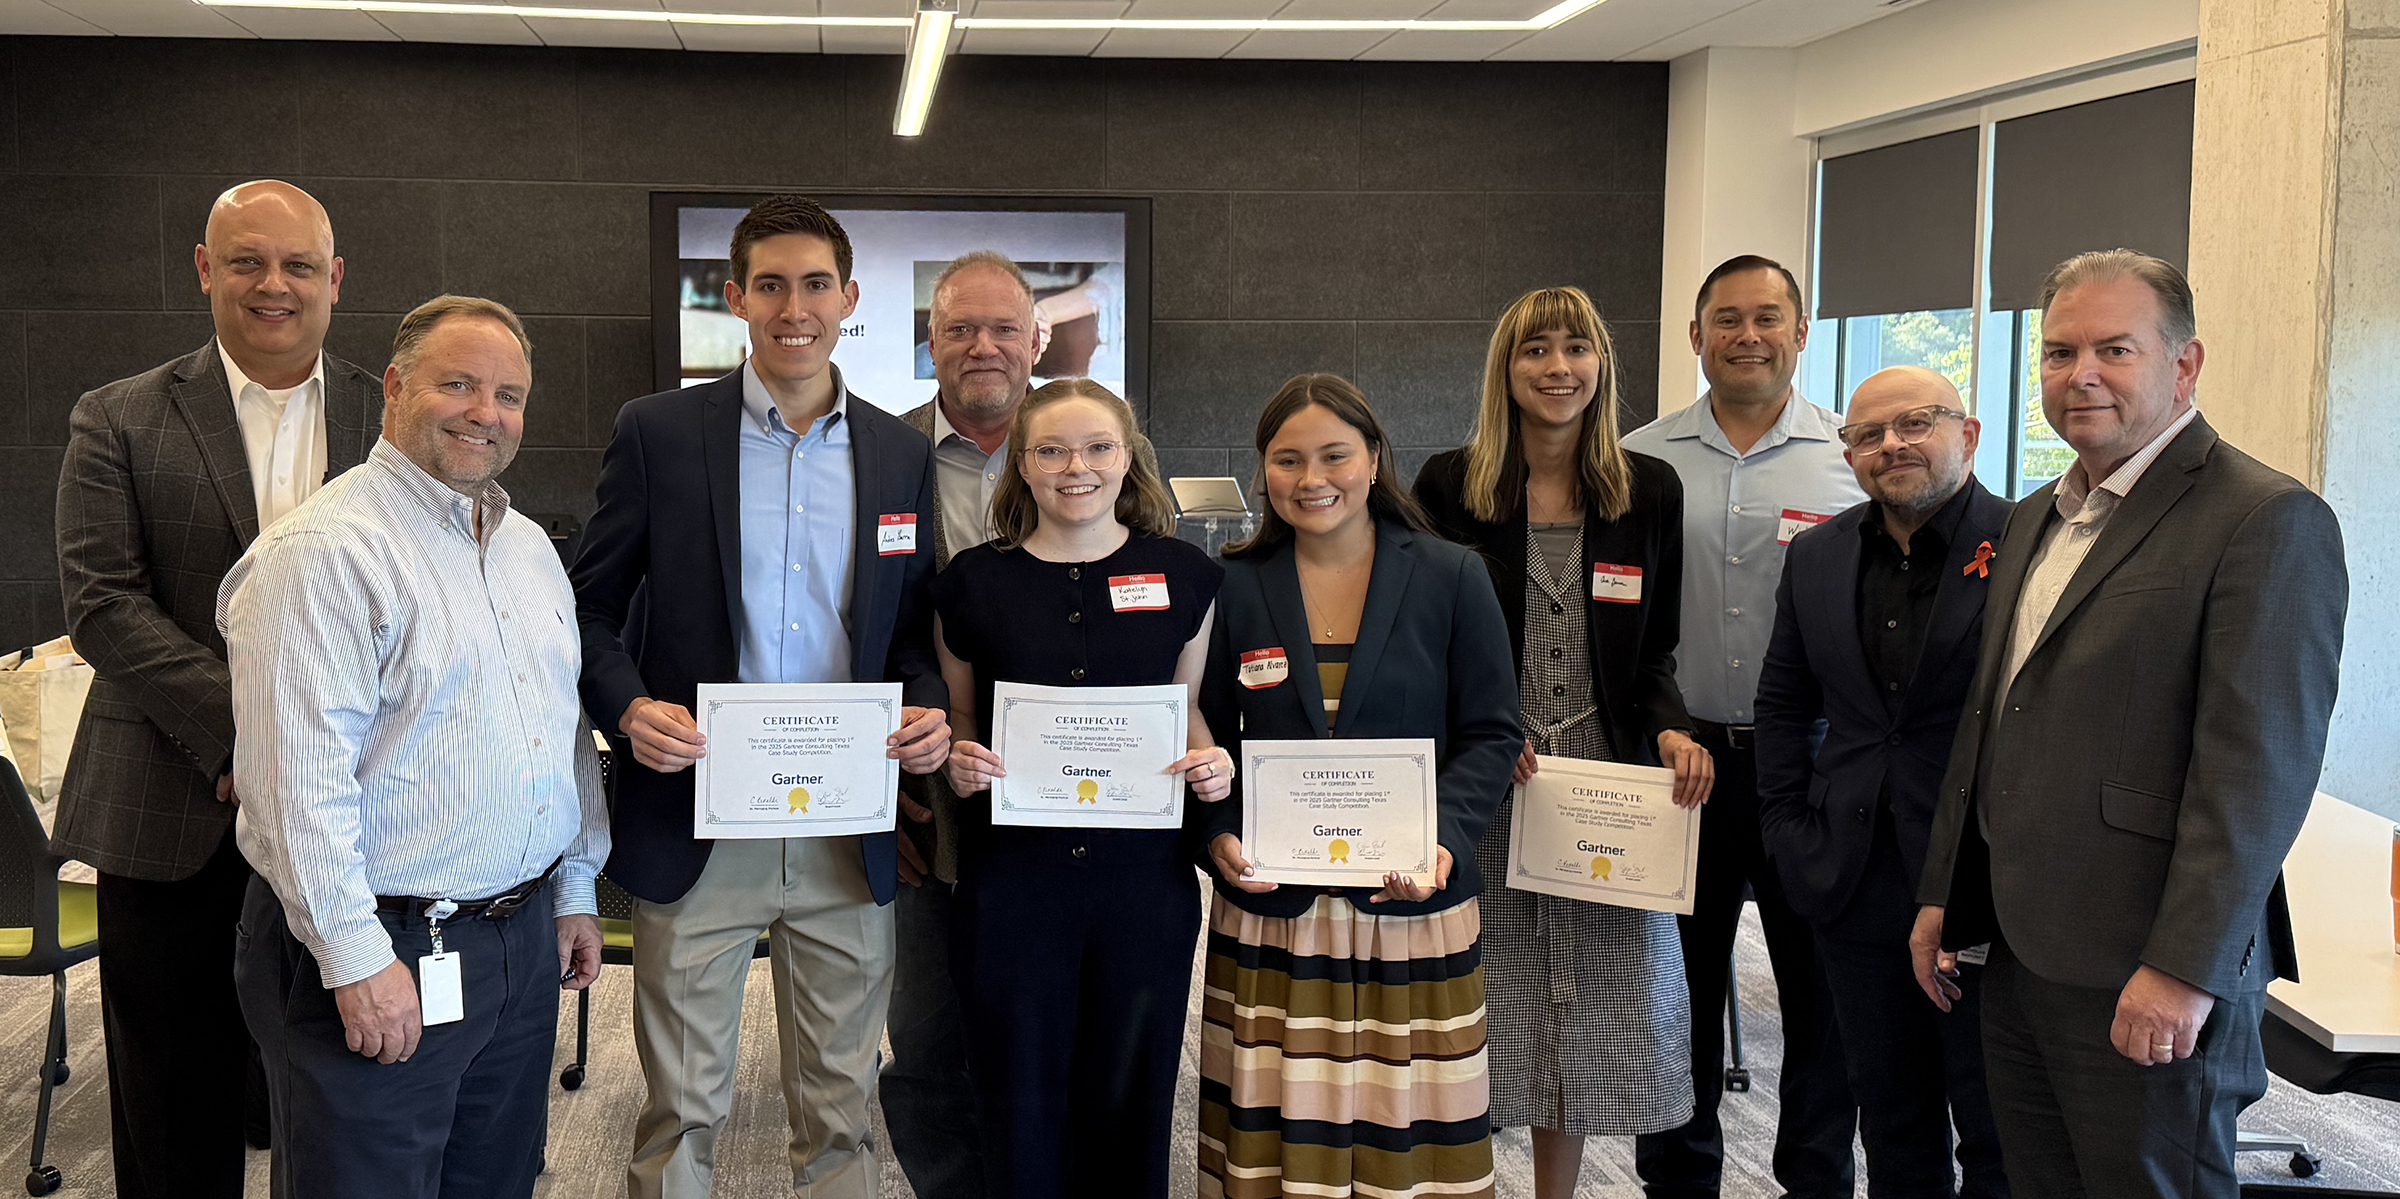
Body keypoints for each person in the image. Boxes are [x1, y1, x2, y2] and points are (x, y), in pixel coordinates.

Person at [1913, 250, 2347, 1199]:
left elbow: (2255, 776)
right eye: (2061, 352)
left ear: (2184, 366)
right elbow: (1991, 722)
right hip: (2020, 952)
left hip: (2145, 961)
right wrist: (1947, 887)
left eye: (2116, 348)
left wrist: (2183, 969)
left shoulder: (2264, 518)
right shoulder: (2037, 516)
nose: (2084, 376)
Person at [570, 195, 952, 1199]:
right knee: (680, 1107)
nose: (795, 306)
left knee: (838, 1106)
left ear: (851, 298)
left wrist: (924, 711)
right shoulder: (656, 432)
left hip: (843, 819)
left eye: (816, 283)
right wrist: (626, 707)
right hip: (698, 808)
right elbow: (590, 608)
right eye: (771, 283)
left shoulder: (898, 453)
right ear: (734, 296)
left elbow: (911, 632)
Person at [219, 295, 610, 1199]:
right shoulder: (324, 552)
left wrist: (575, 886)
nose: (487, 412)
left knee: (496, 1181)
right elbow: (291, 791)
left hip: (516, 945)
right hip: (377, 945)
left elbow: (558, 733)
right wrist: (355, 959)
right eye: (460, 384)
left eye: (509, 395)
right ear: (395, 388)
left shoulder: (525, 548)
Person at [50, 179, 381, 1199]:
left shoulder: (395, 408)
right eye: (246, 261)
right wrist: (250, 731)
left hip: (356, 811)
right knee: (172, 1097)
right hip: (170, 804)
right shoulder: (119, 415)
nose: (271, 285)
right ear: (205, 269)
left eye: (295, 265)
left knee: (340, 1089)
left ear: (335, 279)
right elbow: (103, 603)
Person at [1411, 286, 1711, 1199]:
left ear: (1601, 366)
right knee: (1482, 998)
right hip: (1489, 784)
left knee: (1586, 1009)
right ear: (1506, 369)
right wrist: (1482, 734)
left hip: (1605, 792)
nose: (1557, 367)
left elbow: (1654, 645)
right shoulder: (1448, 486)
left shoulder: (1649, 489)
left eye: (1575, 348)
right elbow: (1427, 642)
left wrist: (1671, 725)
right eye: (1535, 350)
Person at [1196, 374, 1522, 1199]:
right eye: (1288, 459)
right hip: (1277, 913)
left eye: (1334, 454)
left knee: (1405, 1140)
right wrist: (1221, 833)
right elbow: (1197, 731)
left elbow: (1491, 732)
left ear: (1374, 458)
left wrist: (1441, 840)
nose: (1313, 478)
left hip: (1409, 904)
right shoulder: (1232, 584)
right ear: (1263, 471)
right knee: (1275, 1145)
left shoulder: (1453, 576)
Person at [934, 379, 1231, 1197]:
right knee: (1016, 1098)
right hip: (1011, 884)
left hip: (1142, 887)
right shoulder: (969, 582)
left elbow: (1190, 712)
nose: (1078, 467)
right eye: (1052, 450)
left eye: (1099, 447)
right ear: (1020, 465)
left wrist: (1214, 763)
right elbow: (961, 713)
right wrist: (959, 757)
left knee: (1130, 1096)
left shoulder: (1186, 576)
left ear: (1127, 457)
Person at [1620, 254, 1862, 1199]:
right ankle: (1677, 1180)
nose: (1747, 335)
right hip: (1679, 764)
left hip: (1812, 766)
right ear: (1696, 336)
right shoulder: (1640, 458)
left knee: (1820, 995)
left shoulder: (1855, 455)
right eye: (1727, 318)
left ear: (1802, 333)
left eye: (1768, 318)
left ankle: (1814, 1177)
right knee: (1673, 992)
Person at [1755, 366, 2011, 1199]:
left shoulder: (2025, 545)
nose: (1891, 444)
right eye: (1868, 433)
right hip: (1854, 882)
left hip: (1985, 888)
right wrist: (1789, 832)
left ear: (1967, 435)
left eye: (1916, 422)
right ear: (1850, 454)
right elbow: (1784, 704)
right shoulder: (1820, 554)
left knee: (1998, 1134)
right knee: (1892, 1125)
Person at [885, 248, 1041, 1199]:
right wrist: (893, 784)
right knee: (928, 1033)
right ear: (930, 341)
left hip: (1072, 800)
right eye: (958, 328)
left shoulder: (1095, 445)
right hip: (925, 795)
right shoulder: (884, 454)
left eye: (1003, 328)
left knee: (1041, 1026)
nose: (982, 346)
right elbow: (863, 626)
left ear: (1038, 340)